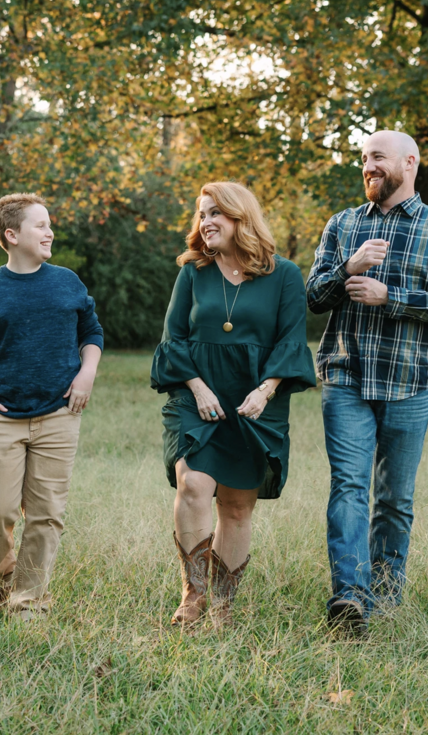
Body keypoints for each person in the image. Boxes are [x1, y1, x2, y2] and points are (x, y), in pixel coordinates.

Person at [306, 130, 428, 635]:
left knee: (396, 499)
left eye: (377, 158)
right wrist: (347, 269)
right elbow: (314, 297)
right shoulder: (343, 225)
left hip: (408, 382)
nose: (368, 167)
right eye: (363, 160)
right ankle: (351, 599)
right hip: (346, 377)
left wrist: (390, 296)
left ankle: (386, 594)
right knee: (350, 488)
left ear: (409, 162)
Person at [151, 181, 316, 628]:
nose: (205, 223)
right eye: (201, 215)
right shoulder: (193, 273)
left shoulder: (283, 275)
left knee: (238, 507)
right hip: (197, 394)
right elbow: (173, 340)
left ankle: (224, 605)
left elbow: (290, 342)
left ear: (240, 218)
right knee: (194, 486)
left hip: (256, 401)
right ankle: (193, 595)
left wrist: (265, 391)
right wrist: (199, 389)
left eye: (214, 214)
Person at [0, 193, 104, 622]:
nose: (50, 231)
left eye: (50, 224)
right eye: (40, 225)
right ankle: (0, 582)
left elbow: (92, 331)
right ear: (11, 235)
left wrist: (87, 372)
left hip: (58, 415)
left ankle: (28, 603)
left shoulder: (67, 282)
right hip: (2, 418)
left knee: (46, 515)